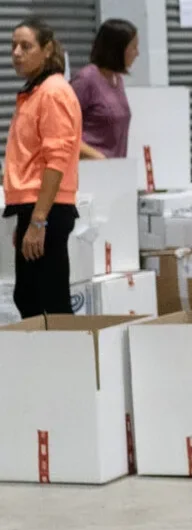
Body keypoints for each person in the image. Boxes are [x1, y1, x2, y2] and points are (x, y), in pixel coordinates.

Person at [3, 19, 82, 318]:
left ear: (47, 49)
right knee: (29, 296)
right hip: (34, 206)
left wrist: (38, 221)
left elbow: (56, 158)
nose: (17, 53)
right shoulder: (34, 92)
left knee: (48, 300)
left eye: (26, 46)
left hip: (46, 207)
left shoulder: (52, 92)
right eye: (13, 46)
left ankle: (65, 360)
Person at [71, 19, 137, 160]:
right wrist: (95, 156)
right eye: (133, 47)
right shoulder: (86, 79)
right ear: (118, 49)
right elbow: (61, 129)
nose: (136, 53)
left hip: (113, 170)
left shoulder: (116, 79)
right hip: (90, 171)